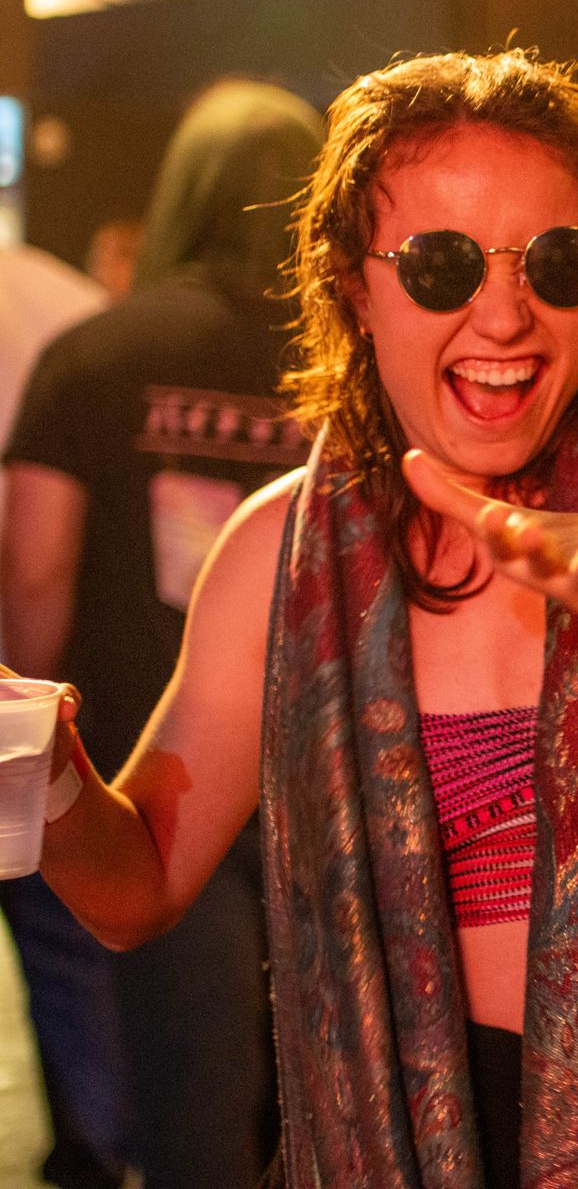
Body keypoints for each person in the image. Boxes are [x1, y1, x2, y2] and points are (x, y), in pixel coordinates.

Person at [31, 49, 578, 1188]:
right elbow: (139, 886)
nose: (504, 312)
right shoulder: (281, 550)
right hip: (379, 1139)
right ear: (352, 286)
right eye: (442, 263)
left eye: (558, 261)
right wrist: (51, 776)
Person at [2, 81, 320, 1189]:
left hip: (154, 770)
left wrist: (39, 743)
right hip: (324, 771)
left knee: (186, 1099)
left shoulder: (97, 352)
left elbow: (36, 568)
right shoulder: (351, 371)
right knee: (323, 1097)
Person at [0, 242, 108, 1189]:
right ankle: (92, 1146)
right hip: (33, 708)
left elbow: (38, 565)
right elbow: (35, 572)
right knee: (65, 947)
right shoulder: (66, 305)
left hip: (27, 700)